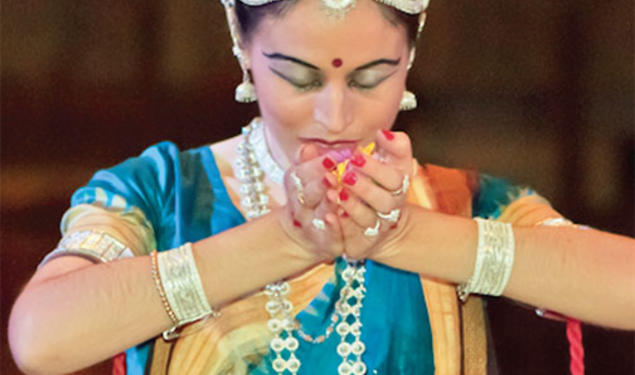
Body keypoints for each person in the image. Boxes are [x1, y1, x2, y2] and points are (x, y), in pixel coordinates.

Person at [8, 0, 634, 374]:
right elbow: (40, 340)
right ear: (242, 46)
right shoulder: (161, 190)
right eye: (301, 78)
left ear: (409, 61)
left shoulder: (456, 203)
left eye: (370, 78)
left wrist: (409, 235)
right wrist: (287, 241)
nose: (336, 116)